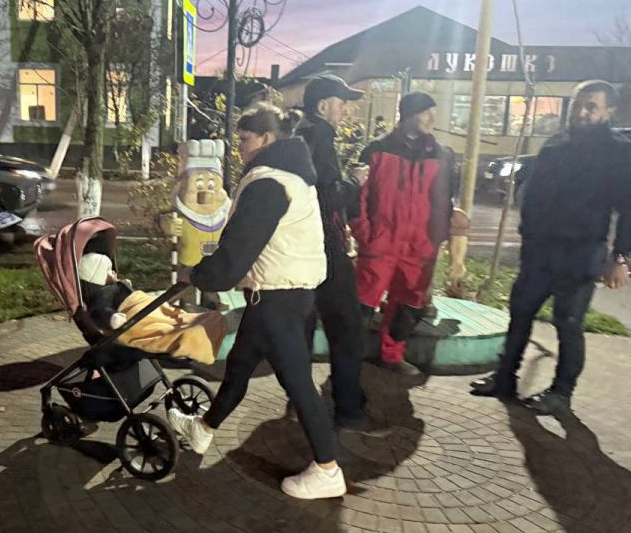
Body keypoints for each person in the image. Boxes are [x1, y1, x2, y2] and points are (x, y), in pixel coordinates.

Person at [168, 102, 347, 500]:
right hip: (281, 294)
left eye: (245, 140)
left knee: (298, 384)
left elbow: (236, 252)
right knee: (239, 366)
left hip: (278, 299)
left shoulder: (268, 183)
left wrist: (195, 275)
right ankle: (203, 429)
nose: (240, 149)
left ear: (266, 138)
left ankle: (327, 469)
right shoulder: (292, 176)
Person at [471, 80, 631, 414]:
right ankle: (505, 377)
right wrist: (527, 233)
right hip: (539, 253)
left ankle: (561, 393)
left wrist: (620, 257)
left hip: (580, 254)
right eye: (577, 105)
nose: (581, 112)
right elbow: (534, 194)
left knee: (568, 323)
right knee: (520, 313)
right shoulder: (556, 144)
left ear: (608, 111)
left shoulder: (618, 152)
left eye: (591, 106)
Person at [295, 74, 376, 433]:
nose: (344, 110)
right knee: (347, 328)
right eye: (341, 103)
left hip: (303, 248)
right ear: (323, 105)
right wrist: (355, 182)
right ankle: (349, 410)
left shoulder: (298, 134)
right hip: (325, 249)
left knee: (302, 328)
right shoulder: (320, 134)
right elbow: (326, 196)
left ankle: (301, 403)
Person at [352, 92, 454, 376]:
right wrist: (364, 233)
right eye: (426, 112)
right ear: (408, 114)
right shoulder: (376, 150)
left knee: (408, 306)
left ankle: (392, 355)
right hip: (380, 242)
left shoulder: (441, 155)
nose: (432, 118)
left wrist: (437, 239)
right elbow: (359, 196)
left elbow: (445, 201)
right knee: (361, 305)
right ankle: (348, 359)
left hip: (420, 247)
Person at [78, 253, 226, 364]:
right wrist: (112, 318)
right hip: (134, 317)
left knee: (172, 318)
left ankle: (197, 326)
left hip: (145, 308)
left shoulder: (116, 286)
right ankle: (190, 335)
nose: (114, 272)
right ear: (96, 275)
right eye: (109, 270)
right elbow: (99, 310)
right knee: (163, 327)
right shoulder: (104, 292)